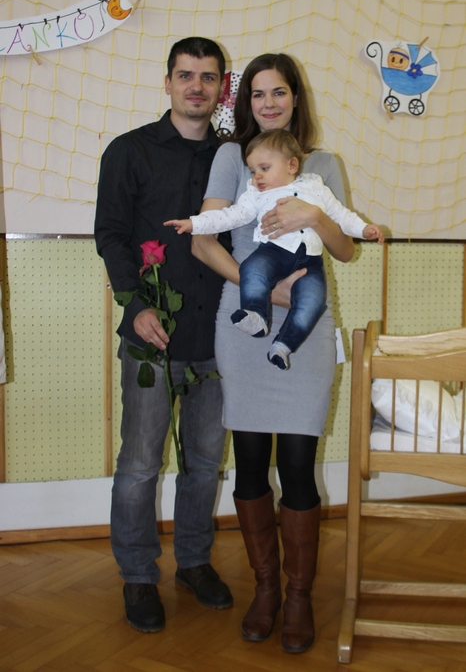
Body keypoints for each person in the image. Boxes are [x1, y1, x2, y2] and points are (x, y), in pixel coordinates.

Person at [191, 53, 356, 654]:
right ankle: (266, 590)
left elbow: (345, 250)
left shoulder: (322, 164)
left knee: (298, 467)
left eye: (278, 92)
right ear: (246, 102)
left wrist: (314, 214)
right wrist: (261, 289)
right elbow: (206, 243)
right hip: (245, 323)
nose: (268, 103)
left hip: (307, 330)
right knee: (252, 463)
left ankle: (299, 595)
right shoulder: (230, 157)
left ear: (294, 98)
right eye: (258, 94)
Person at [94, 37, 233, 634]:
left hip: (218, 339)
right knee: (139, 464)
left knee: (205, 463)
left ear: (222, 86)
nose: (196, 86)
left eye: (208, 77)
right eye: (186, 75)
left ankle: (194, 563)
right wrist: (134, 305)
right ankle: (137, 575)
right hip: (149, 336)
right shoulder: (129, 152)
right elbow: (110, 235)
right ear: (168, 81)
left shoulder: (235, 157)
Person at [165, 129, 383, 370]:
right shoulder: (255, 194)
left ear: (292, 165)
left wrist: (364, 230)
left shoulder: (316, 187)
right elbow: (228, 217)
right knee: (252, 268)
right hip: (274, 252)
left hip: (310, 263)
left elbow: (342, 216)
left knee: (313, 303)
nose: (257, 176)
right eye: (253, 171)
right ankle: (255, 314)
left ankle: (284, 345)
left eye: (264, 168)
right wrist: (194, 223)